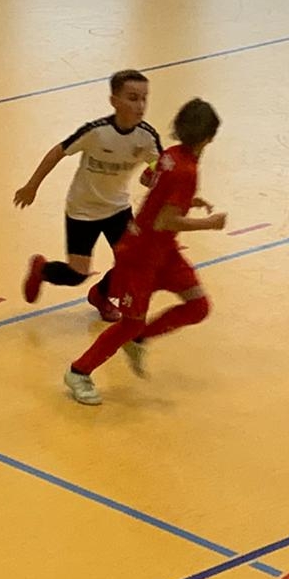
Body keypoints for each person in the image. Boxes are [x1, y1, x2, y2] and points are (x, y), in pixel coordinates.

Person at [62, 99, 226, 406]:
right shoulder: (187, 170)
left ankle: (139, 340)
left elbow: (148, 179)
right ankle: (79, 372)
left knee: (198, 306)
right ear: (209, 137)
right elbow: (166, 220)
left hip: (164, 252)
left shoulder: (171, 155)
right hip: (139, 256)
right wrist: (210, 223)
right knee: (131, 322)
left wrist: (184, 200)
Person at [15, 70, 162, 321]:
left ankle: (100, 296)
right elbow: (58, 152)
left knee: (133, 264)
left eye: (144, 99)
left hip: (117, 209)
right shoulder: (96, 132)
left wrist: (153, 178)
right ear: (114, 101)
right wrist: (32, 186)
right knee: (77, 274)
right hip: (82, 210)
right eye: (132, 98)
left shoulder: (147, 137)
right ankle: (42, 270)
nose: (140, 106)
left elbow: (160, 167)